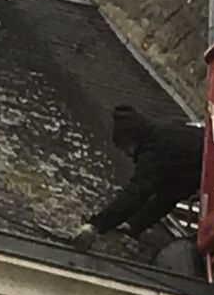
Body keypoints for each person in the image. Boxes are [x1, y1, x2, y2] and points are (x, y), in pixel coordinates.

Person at [72, 105, 203, 250]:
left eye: (124, 148)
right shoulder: (169, 137)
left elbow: (137, 193)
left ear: (132, 141)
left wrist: (96, 225)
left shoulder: (154, 151)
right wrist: (133, 225)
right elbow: (168, 196)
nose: (126, 154)